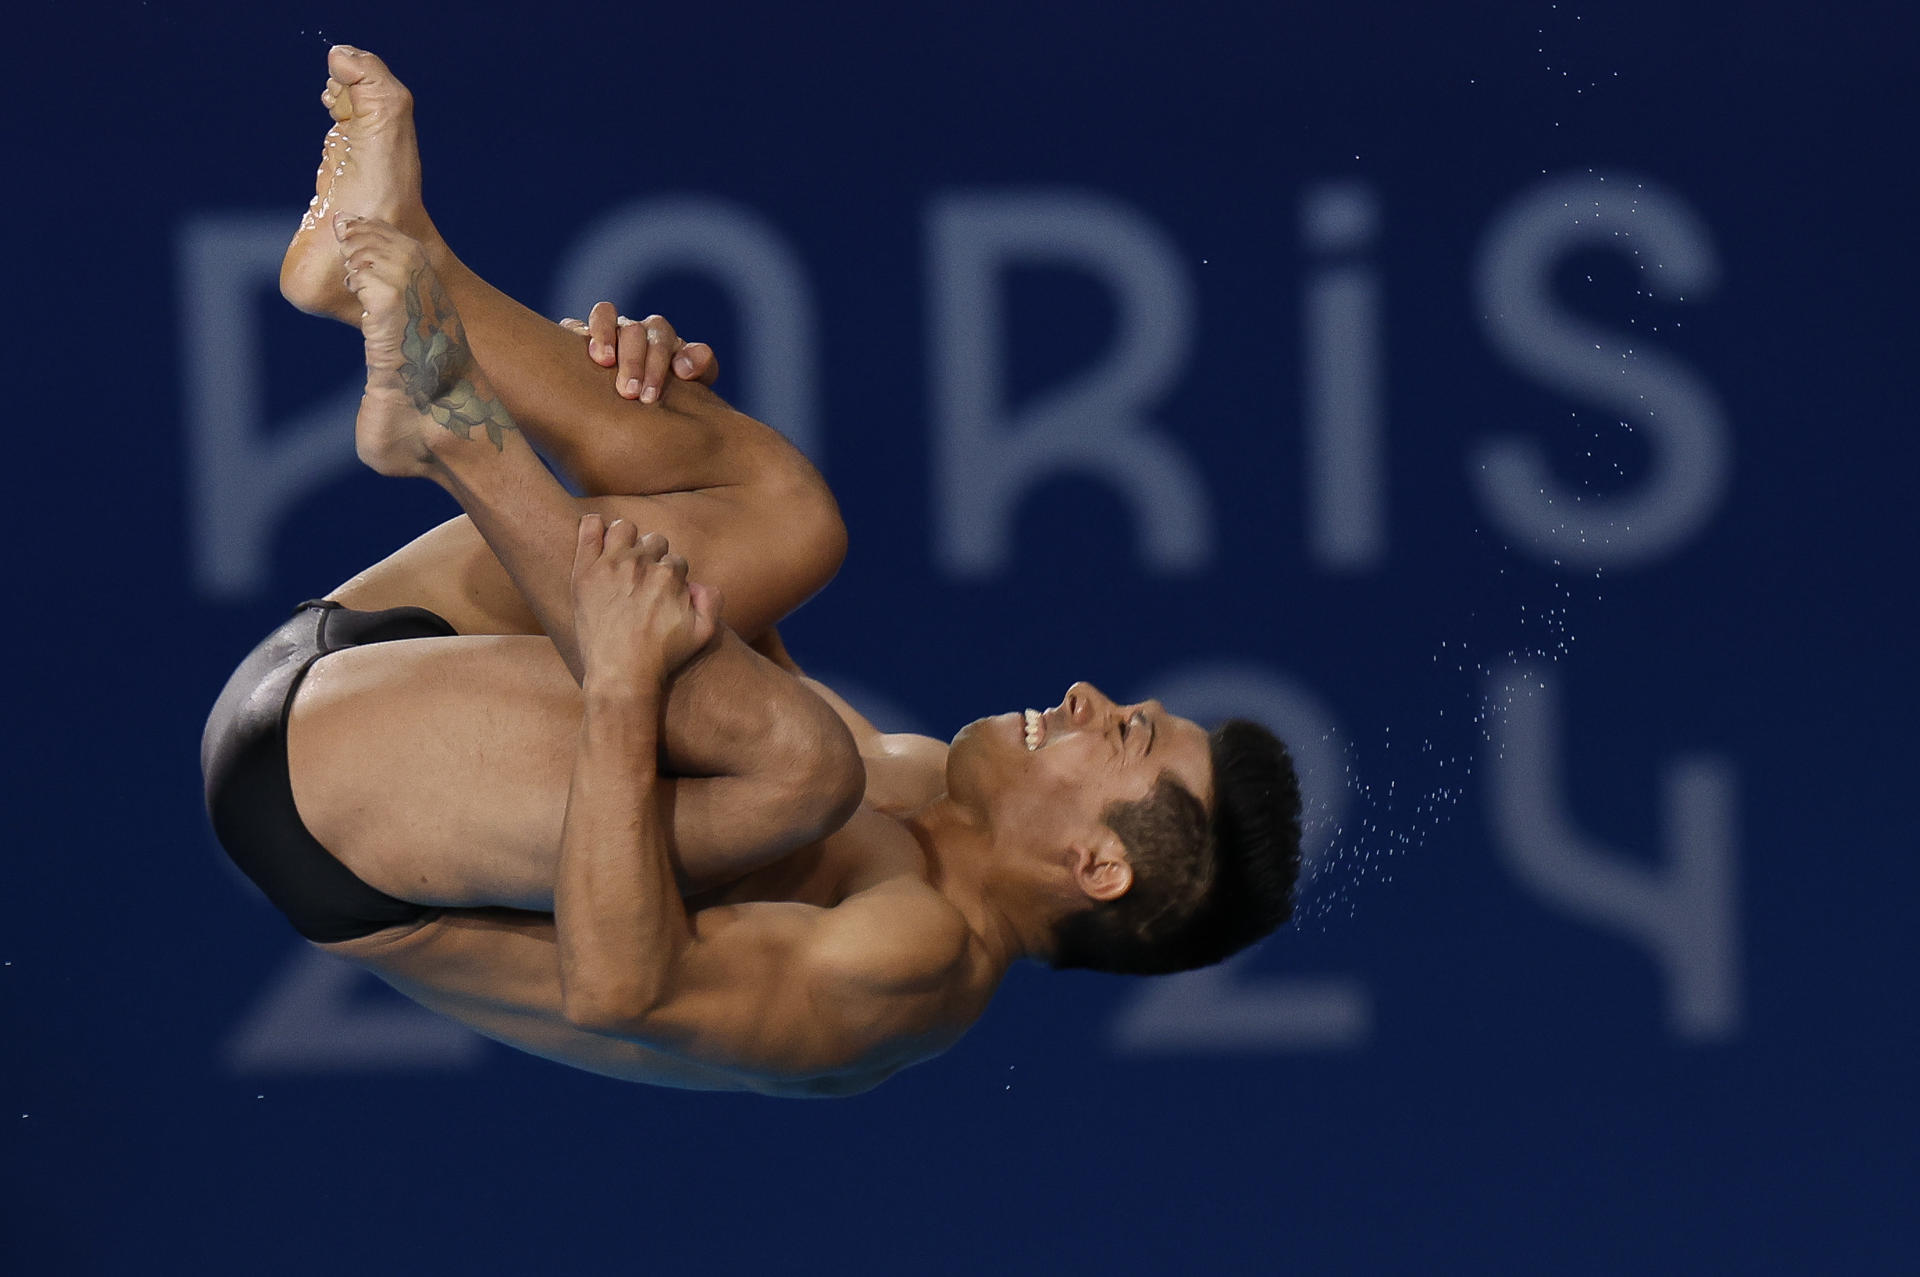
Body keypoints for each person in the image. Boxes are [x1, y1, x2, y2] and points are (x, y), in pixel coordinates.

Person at [203, 46, 1303, 1097]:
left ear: (1098, 866)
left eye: (1121, 733)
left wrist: (629, 684)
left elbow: (618, 985)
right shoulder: (917, 783)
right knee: (789, 520)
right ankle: (385, 260)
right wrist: (653, 420)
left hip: (324, 801)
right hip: (385, 662)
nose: (1085, 696)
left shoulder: (914, 966)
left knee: (803, 760)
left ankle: (451, 425)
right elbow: (686, 638)